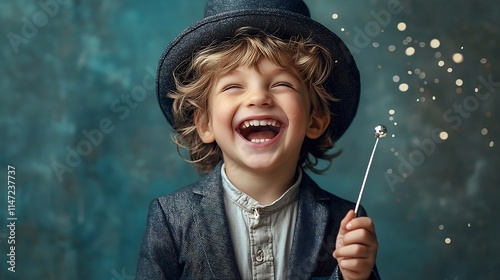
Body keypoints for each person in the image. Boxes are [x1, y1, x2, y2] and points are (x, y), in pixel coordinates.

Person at [136, 0, 381, 279]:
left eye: (282, 84)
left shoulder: (345, 220)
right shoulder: (171, 218)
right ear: (205, 123)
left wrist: (356, 275)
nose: (258, 98)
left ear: (314, 120)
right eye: (232, 86)